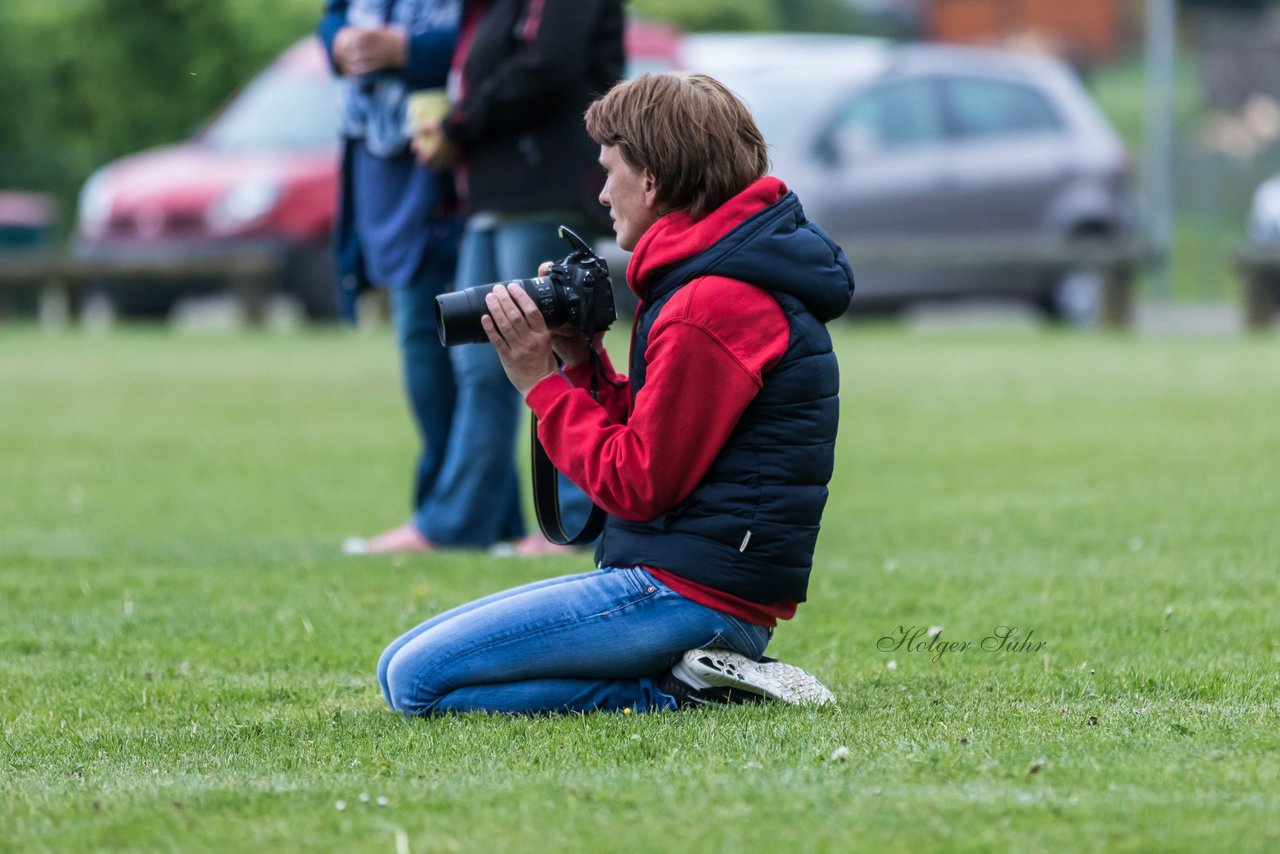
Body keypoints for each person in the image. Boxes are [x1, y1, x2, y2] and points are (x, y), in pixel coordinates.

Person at [375, 71, 855, 715]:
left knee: (417, 684)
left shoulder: (712, 304)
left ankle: (679, 692)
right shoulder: (714, 276)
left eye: (610, 172)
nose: (601, 194)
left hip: (695, 597)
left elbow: (639, 481)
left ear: (652, 179)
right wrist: (582, 363)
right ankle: (687, 680)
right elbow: (665, 436)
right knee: (394, 668)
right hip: (681, 580)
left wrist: (539, 385)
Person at [408, 0, 623, 554]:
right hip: (493, 194)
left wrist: (459, 124)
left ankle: (576, 520)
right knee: (477, 365)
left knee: (556, 350)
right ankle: (457, 525)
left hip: (544, 190)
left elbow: (550, 66)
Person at [318, 0, 465, 555]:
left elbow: (488, 40)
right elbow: (332, 17)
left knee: (459, 357)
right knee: (427, 346)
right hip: (381, 162)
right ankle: (457, 513)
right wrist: (341, 44)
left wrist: (406, 51)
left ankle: (445, 516)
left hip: (447, 165)